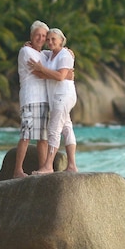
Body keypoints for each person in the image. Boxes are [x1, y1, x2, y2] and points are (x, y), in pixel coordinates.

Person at [28, 28, 78, 174]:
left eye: (53, 39)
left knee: (53, 129)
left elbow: (60, 77)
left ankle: (48, 166)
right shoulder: (49, 55)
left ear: (62, 41)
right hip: (58, 97)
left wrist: (43, 69)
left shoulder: (65, 55)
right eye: (48, 39)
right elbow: (42, 72)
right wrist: (28, 45)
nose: (49, 42)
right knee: (67, 127)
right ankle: (72, 166)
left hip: (64, 95)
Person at [12, 20, 51, 178]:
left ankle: (43, 169)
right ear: (31, 36)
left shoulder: (43, 54)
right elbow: (40, 73)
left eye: (44, 36)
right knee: (26, 135)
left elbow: (57, 55)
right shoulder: (26, 52)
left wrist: (68, 52)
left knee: (43, 138)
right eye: (38, 35)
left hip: (44, 99)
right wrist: (57, 73)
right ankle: (17, 170)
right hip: (30, 98)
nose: (40, 38)